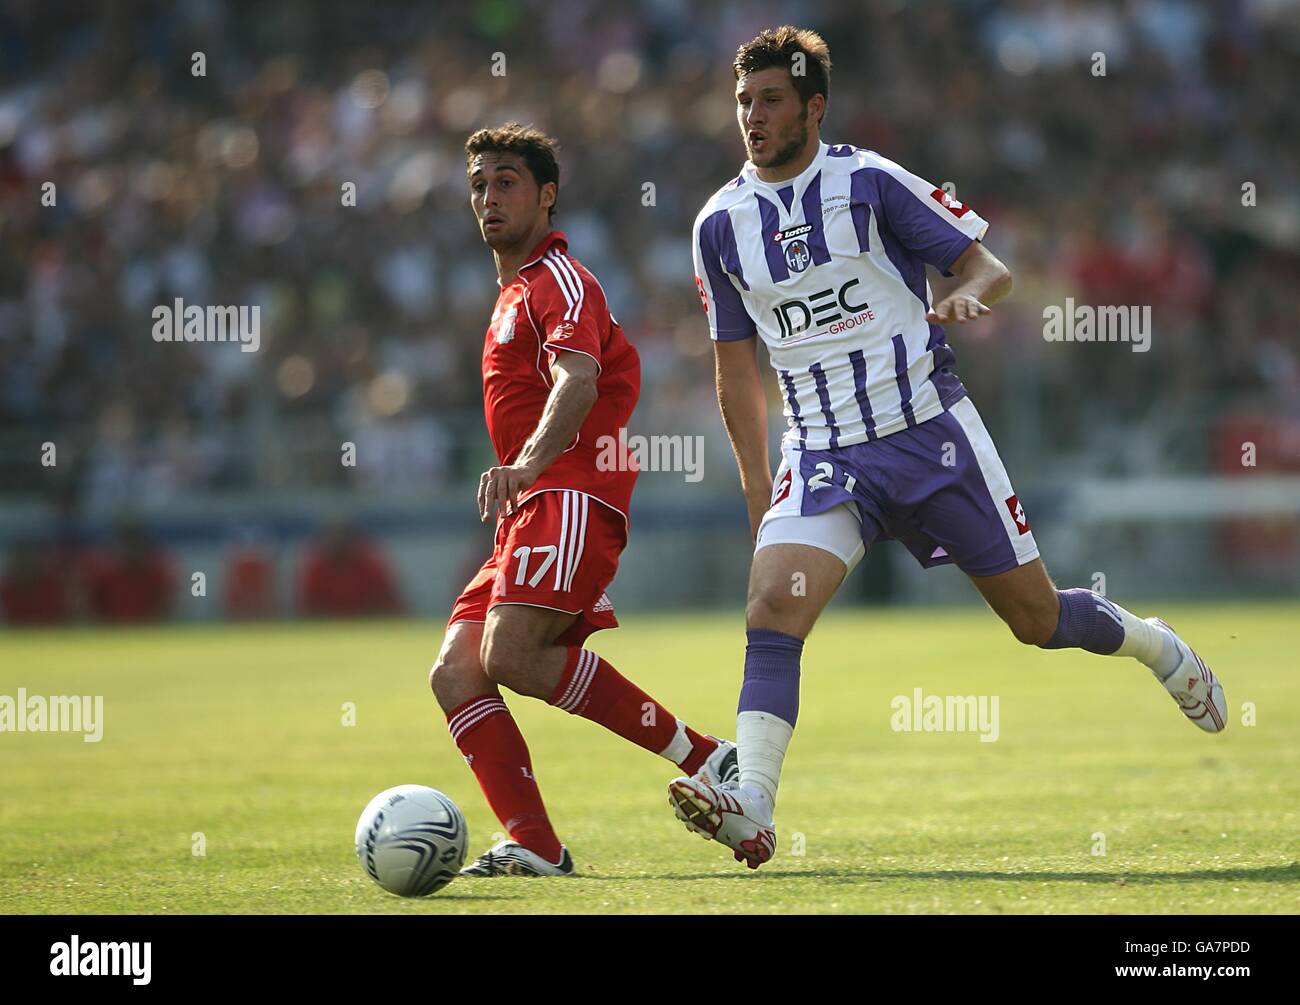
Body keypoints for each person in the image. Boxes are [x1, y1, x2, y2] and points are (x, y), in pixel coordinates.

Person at [670, 26, 1227, 870]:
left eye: (770, 100)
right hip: (824, 453)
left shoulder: (870, 181)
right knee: (773, 611)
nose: (752, 115)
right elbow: (733, 367)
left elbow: (987, 267)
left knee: (1036, 620)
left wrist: (965, 296)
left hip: (930, 433)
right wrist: (759, 483)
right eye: (743, 101)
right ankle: (752, 805)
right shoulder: (719, 224)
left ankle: (1156, 643)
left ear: (812, 107)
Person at [430, 123, 736, 877]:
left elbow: (580, 379)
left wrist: (528, 463)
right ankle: (532, 839)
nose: (488, 197)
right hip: (531, 504)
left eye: (506, 182)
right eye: (479, 185)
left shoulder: (559, 278)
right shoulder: (513, 292)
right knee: (457, 671)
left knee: (512, 653)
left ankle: (709, 758)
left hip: (570, 490)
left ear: (545, 196)